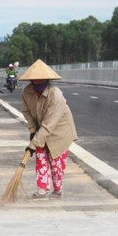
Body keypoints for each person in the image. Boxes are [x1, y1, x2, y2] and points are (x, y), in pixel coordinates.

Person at [19, 59, 77, 199]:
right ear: (31, 80)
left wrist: (32, 145)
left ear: (47, 80)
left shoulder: (55, 95)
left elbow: (49, 125)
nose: (38, 84)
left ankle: (58, 190)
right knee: (41, 158)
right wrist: (33, 131)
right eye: (35, 81)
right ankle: (42, 190)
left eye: (41, 81)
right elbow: (26, 112)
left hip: (59, 132)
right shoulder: (27, 92)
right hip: (41, 130)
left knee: (56, 163)